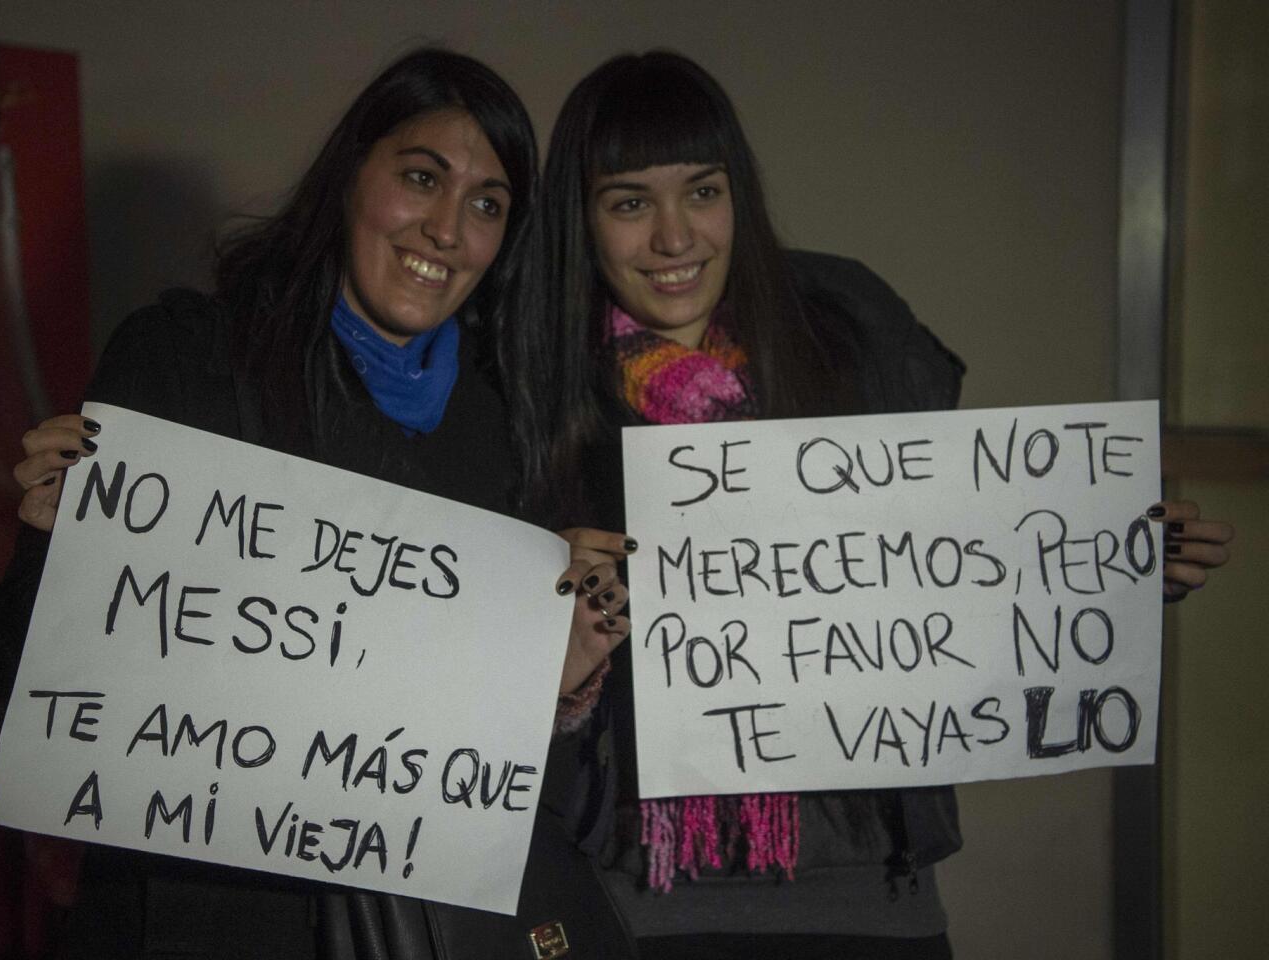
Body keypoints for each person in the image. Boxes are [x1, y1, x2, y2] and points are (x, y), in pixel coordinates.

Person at [528, 50, 1235, 959]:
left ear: (737, 195)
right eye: (630, 203)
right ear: (583, 223)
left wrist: (1101, 564)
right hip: (637, 905)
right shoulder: (533, 397)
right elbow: (495, 691)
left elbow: (954, 562)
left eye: (702, 192)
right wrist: (569, 664)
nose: (675, 238)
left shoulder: (851, 339)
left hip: (871, 894)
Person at [0, 49, 632, 959]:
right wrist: (55, 544)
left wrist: (553, 679)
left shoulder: (508, 429)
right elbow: (23, 673)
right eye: (420, 178)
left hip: (425, 932)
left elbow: (507, 795)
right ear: (350, 176)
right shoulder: (183, 358)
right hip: (196, 924)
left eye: (487, 204)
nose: (447, 228)